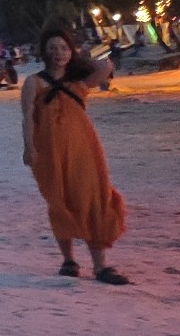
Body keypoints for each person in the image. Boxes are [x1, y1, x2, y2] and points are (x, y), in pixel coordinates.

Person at [21, 28, 129, 285]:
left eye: (63, 48)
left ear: (71, 52)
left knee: (93, 198)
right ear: (44, 51)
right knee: (59, 201)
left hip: (83, 147)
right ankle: (68, 261)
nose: (58, 53)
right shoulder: (33, 82)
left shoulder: (78, 83)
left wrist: (79, 58)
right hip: (48, 150)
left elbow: (105, 66)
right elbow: (27, 118)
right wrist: (28, 147)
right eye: (53, 48)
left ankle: (100, 266)